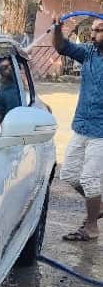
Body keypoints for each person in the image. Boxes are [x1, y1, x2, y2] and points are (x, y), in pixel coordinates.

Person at [53, 16, 103, 241]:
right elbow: (62, 47)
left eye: (99, 30)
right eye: (92, 30)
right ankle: (98, 204)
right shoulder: (89, 53)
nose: (92, 35)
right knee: (70, 174)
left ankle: (91, 227)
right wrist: (57, 29)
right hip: (82, 125)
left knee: (90, 180)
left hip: (101, 132)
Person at [0, 55, 23, 125]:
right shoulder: (1, 95)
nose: (9, 69)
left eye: (11, 66)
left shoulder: (4, 95)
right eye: (4, 68)